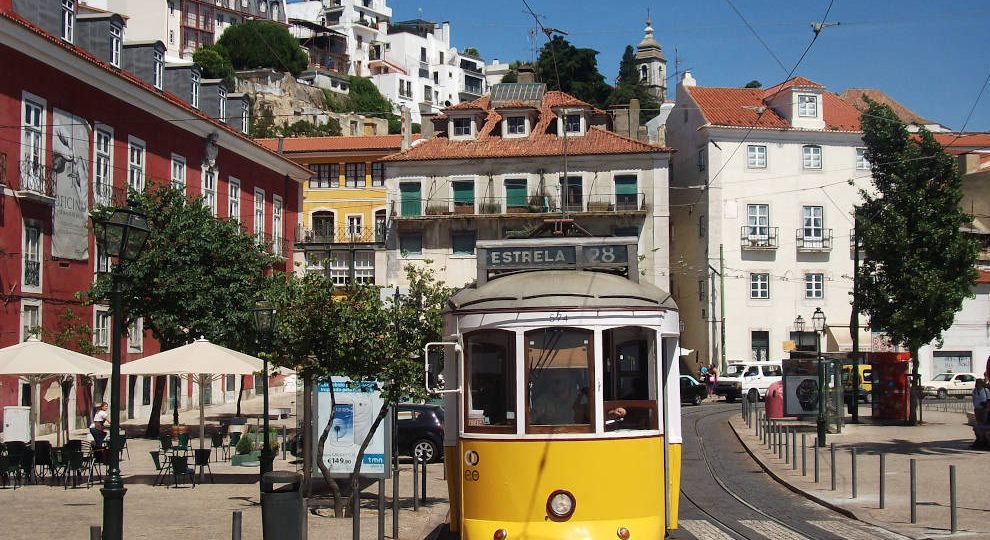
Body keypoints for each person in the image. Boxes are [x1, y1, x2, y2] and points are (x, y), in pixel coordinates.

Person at [972, 380, 990, 449]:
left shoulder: (986, 391)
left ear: (981, 384)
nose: (976, 384)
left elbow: (988, 400)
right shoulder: (974, 391)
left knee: (984, 422)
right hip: (977, 409)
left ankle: (984, 441)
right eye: (976, 383)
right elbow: (974, 399)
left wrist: (987, 407)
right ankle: (980, 440)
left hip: (984, 409)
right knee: (978, 424)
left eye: (977, 383)